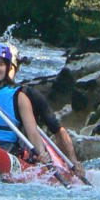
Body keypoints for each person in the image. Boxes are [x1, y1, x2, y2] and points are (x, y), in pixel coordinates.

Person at [7, 45, 86, 177]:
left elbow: (57, 129)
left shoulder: (29, 95)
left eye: (9, 67)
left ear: (16, 68)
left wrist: (73, 161)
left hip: (21, 153)